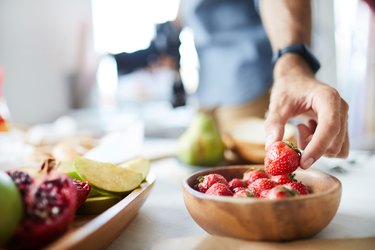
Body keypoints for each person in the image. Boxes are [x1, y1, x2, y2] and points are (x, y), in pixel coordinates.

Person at [114, 0, 349, 169]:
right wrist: (167, 39)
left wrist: (293, 65)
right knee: (216, 178)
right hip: (207, 93)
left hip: (249, 89)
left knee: (254, 180)